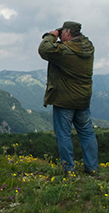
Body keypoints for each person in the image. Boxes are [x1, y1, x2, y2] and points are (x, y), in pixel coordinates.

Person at [39, 21, 98, 176]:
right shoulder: (88, 47)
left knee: (63, 134)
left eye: (63, 31)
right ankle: (92, 168)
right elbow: (75, 42)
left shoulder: (65, 51)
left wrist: (52, 35)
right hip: (83, 99)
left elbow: (44, 49)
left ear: (68, 33)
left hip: (64, 99)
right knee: (87, 133)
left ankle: (69, 169)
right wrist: (62, 35)